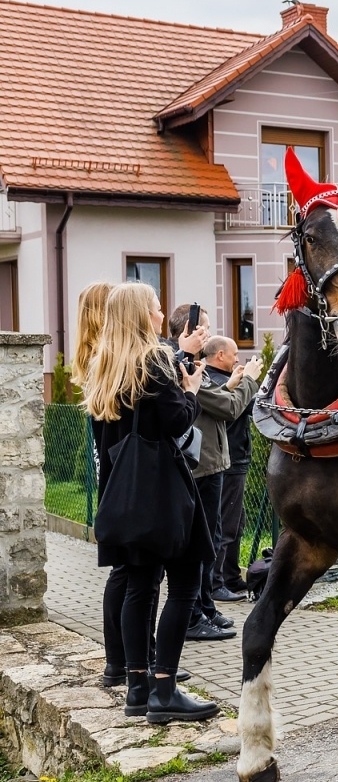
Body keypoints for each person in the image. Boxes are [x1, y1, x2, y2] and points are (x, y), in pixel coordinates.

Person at [82, 282, 218, 724]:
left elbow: (109, 441)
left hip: (124, 495)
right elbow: (176, 421)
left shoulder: (104, 367)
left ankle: (137, 688)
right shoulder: (154, 362)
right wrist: (192, 390)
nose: (162, 317)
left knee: (139, 588)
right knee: (184, 586)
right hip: (163, 492)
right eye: (157, 310)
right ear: (142, 316)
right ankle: (165, 690)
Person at [164, 304, 233, 640]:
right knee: (199, 544)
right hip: (198, 464)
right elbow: (226, 407)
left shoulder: (194, 365)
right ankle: (193, 614)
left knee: (210, 539)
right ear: (188, 331)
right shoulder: (181, 366)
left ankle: (204, 606)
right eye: (203, 327)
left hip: (209, 460)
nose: (208, 332)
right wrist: (245, 382)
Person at [196, 337, 262, 602]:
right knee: (221, 526)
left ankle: (229, 578)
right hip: (224, 460)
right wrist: (250, 381)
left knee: (232, 522)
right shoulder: (202, 377)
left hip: (229, 457)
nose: (238, 360)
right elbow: (233, 407)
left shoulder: (214, 378)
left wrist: (233, 383)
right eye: (234, 354)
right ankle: (215, 584)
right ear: (220, 354)